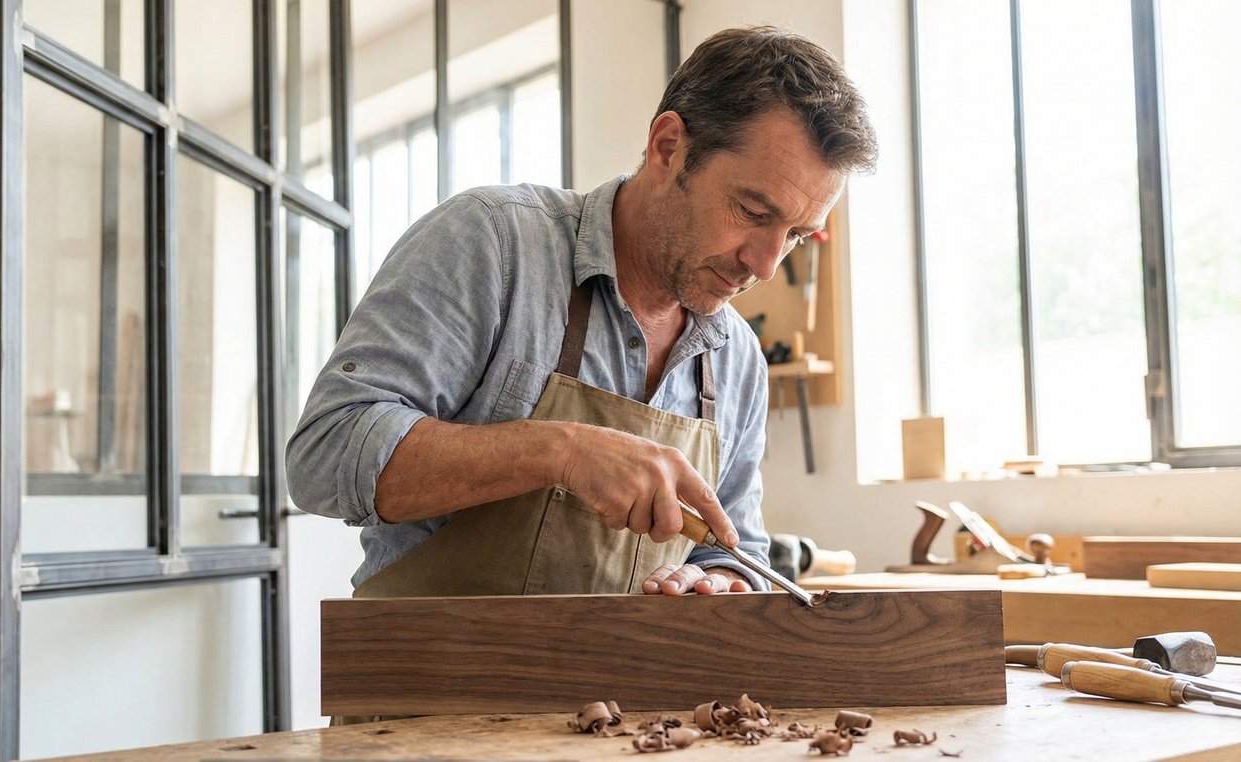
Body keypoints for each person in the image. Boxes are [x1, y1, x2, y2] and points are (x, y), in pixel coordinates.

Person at [286, 26, 877, 599]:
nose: (766, 265)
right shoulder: (494, 243)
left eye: (796, 235)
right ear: (668, 147)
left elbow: (734, 549)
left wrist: (724, 580)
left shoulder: (737, 358)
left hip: (620, 673)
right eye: (752, 211)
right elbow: (323, 456)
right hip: (434, 668)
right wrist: (559, 451)